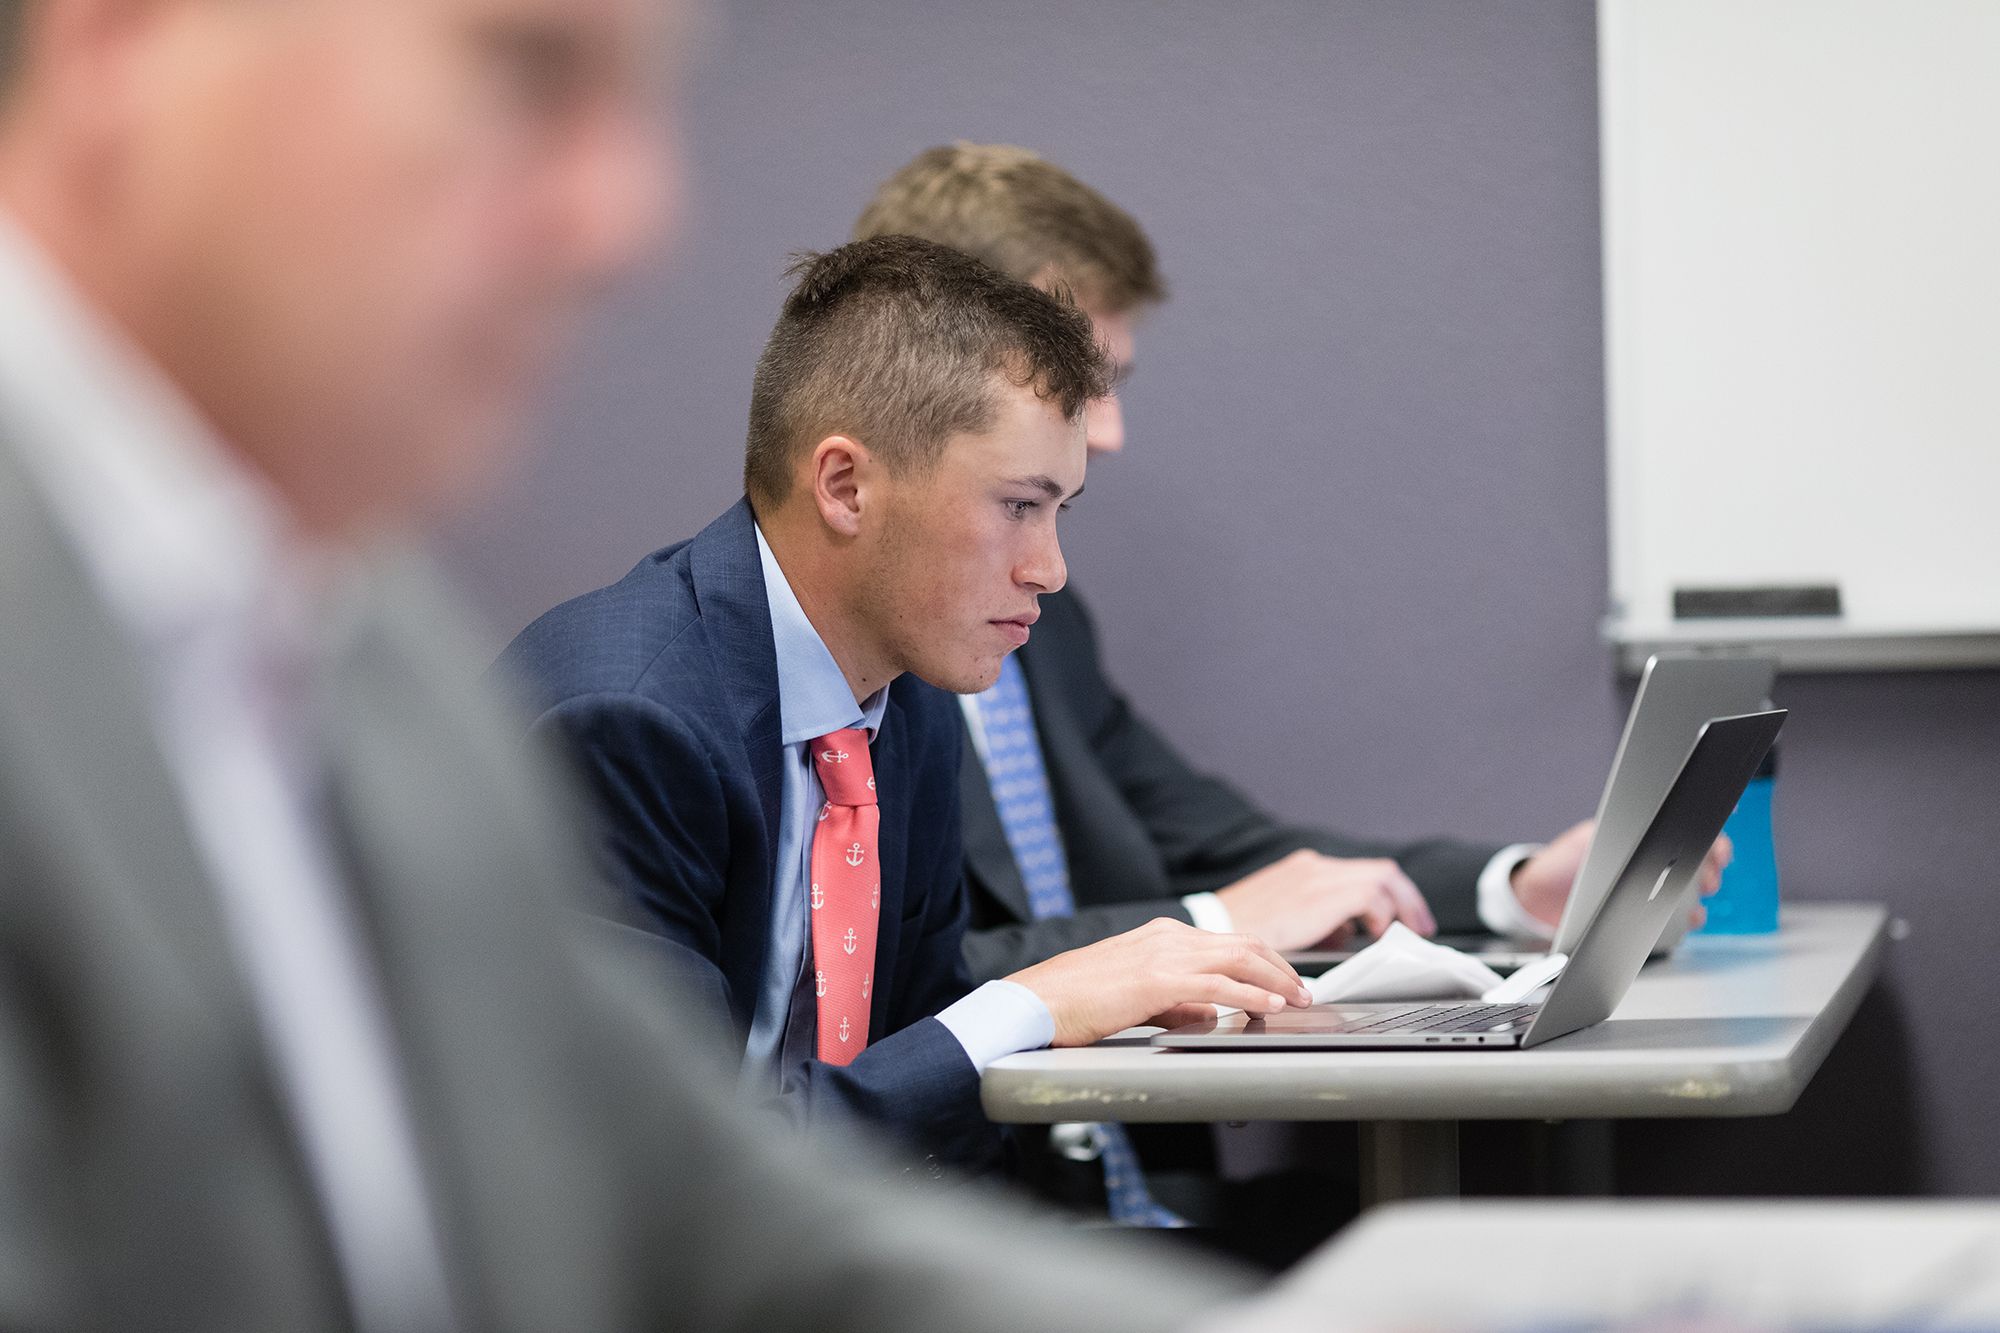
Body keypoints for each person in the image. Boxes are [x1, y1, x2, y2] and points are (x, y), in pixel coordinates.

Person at [0, 2, 1259, 1326]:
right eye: (525, 67)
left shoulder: (375, 657)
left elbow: (708, 1196)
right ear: (121, 40)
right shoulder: (583, 688)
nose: (630, 214)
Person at [849, 143, 1728, 1243]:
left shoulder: (1042, 615)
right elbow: (889, 984)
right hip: (979, 1225)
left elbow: (1220, 842)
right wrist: (1210, 923)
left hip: (1132, 1189)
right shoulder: (850, 644)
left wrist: (1511, 888)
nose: (1108, 428)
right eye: (1086, 380)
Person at [498, 234, 1314, 1177]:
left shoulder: (904, 700)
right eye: (1017, 505)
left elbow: (913, 1079)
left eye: (1061, 512)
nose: (1049, 568)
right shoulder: (627, 720)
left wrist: (1098, 1010)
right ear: (846, 485)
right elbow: (676, 1173)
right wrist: (1030, 1007)